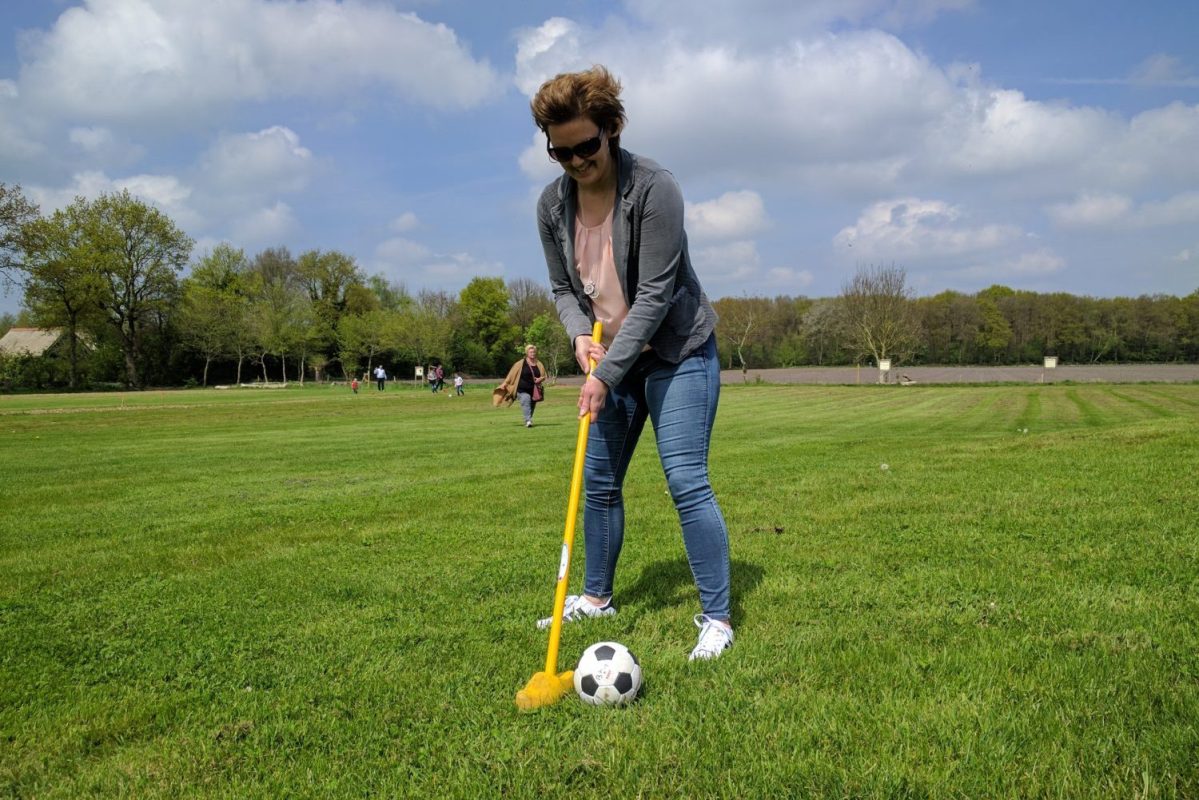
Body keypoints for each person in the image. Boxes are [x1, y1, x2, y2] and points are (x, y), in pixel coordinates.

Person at [530, 66, 733, 660]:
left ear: (612, 129)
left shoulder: (653, 187)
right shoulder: (550, 205)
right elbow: (563, 288)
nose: (575, 161)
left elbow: (656, 295)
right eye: (560, 152)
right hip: (608, 358)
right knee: (598, 485)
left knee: (685, 481)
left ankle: (717, 617)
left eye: (586, 146)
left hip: (676, 353)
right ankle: (596, 598)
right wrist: (576, 341)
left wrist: (604, 374)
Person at [497, 345, 547, 427]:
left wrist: (540, 379)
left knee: (532, 405)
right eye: (531, 352)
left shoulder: (539, 363)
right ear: (527, 353)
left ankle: (528, 419)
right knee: (526, 400)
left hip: (534, 390)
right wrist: (504, 384)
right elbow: (511, 375)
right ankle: (528, 421)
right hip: (521, 389)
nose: (533, 353)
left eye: (534, 352)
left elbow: (543, 376)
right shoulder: (520, 363)